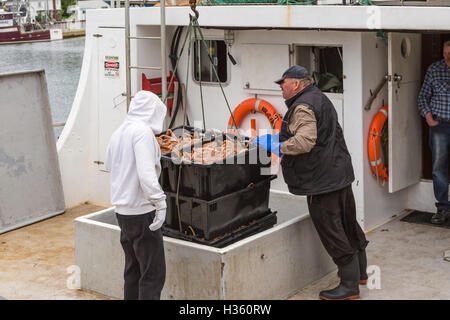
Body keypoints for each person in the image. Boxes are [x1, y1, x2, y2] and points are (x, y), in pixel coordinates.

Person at [255, 65, 369, 300]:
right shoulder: (319, 98)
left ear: (296, 83)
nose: (281, 88)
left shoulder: (302, 105)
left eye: (283, 83)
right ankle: (360, 274)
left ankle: (349, 287)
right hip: (339, 174)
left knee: (332, 229)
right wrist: (283, 136)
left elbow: (305, 142)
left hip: (321, 180)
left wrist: (279, 146)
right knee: (348, 223)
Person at [105, 90, 167, 300]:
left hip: (122, 213)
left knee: (133, 270)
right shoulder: (142, 132)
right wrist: (160, 203)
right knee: (153, 274)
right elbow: (146, 174)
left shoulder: (118, 132)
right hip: (142, 213)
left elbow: (109, 165)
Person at [418, 40, 450, 225]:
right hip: (440, 125)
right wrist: (429, 118)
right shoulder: (434, 69)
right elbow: (423, 97)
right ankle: (443, 209)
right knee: (439, 168)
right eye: (446, 53)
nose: (448, 56)